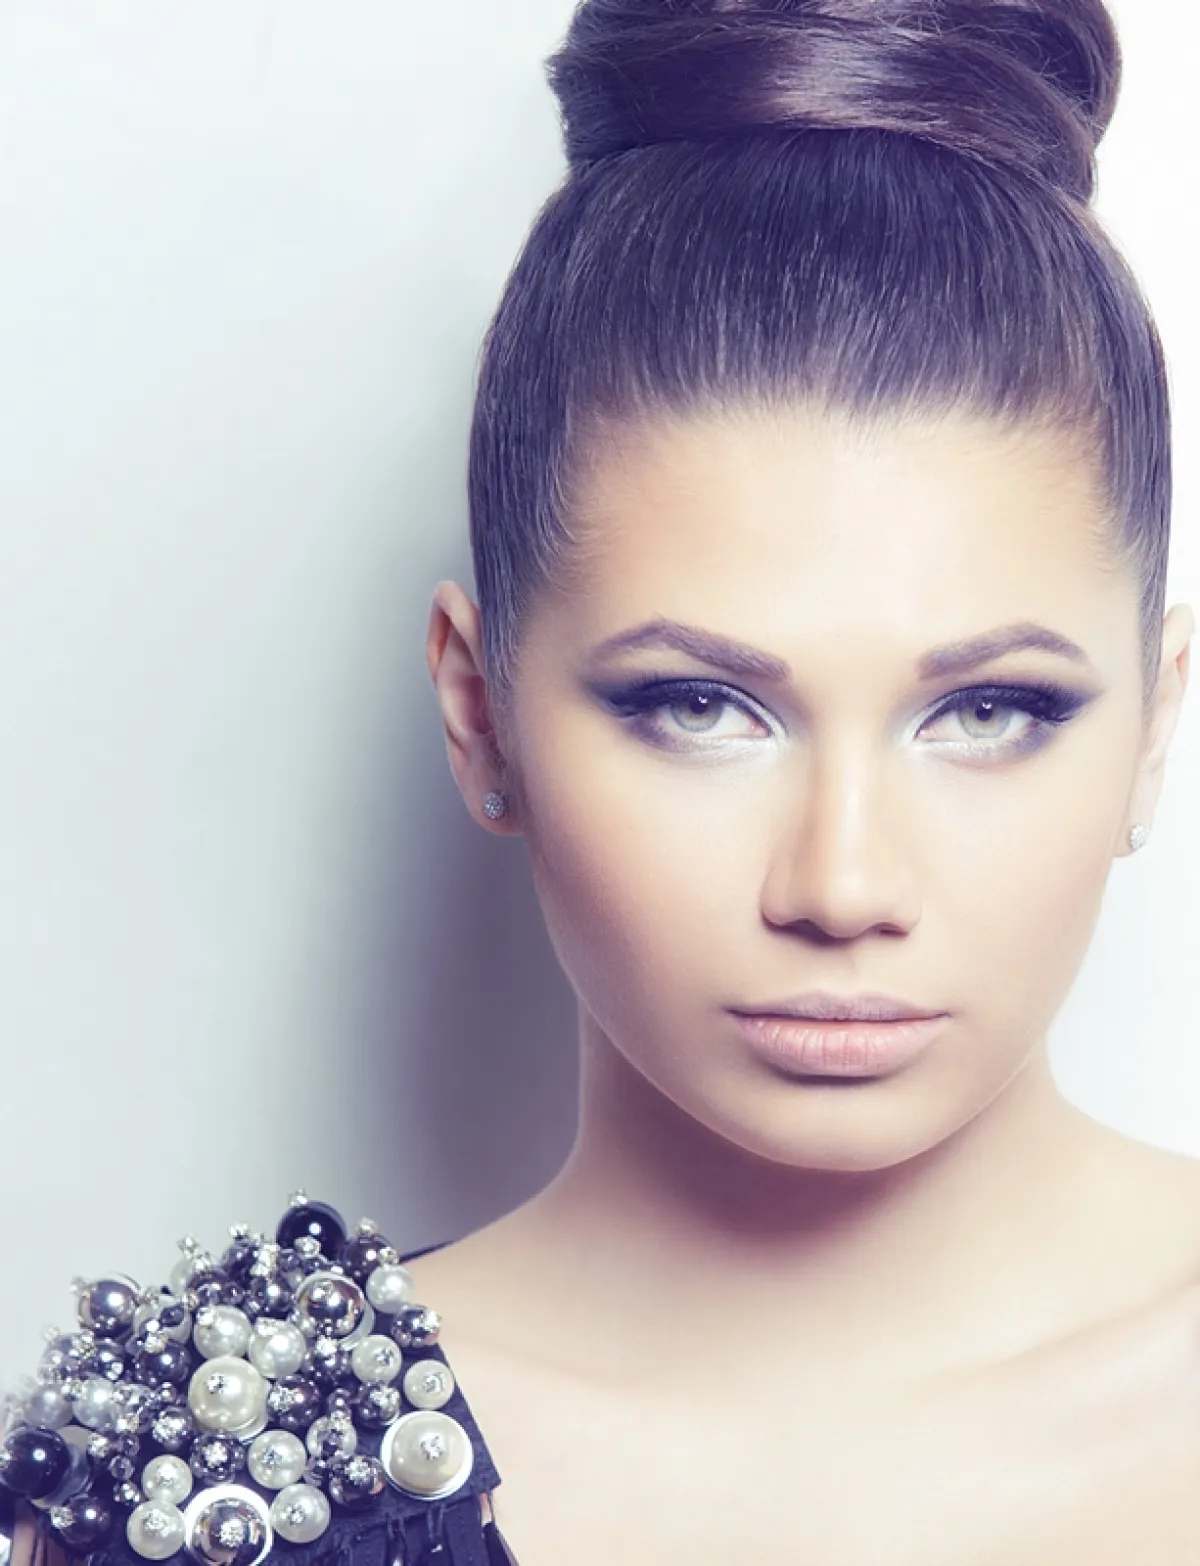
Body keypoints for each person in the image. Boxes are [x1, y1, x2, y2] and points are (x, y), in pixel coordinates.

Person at [3, 0, 1198, 1563]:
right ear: (480, 712)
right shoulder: (208, 1484)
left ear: (1154, 719)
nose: (843, 884)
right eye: (698, 705)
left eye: (988, 710)